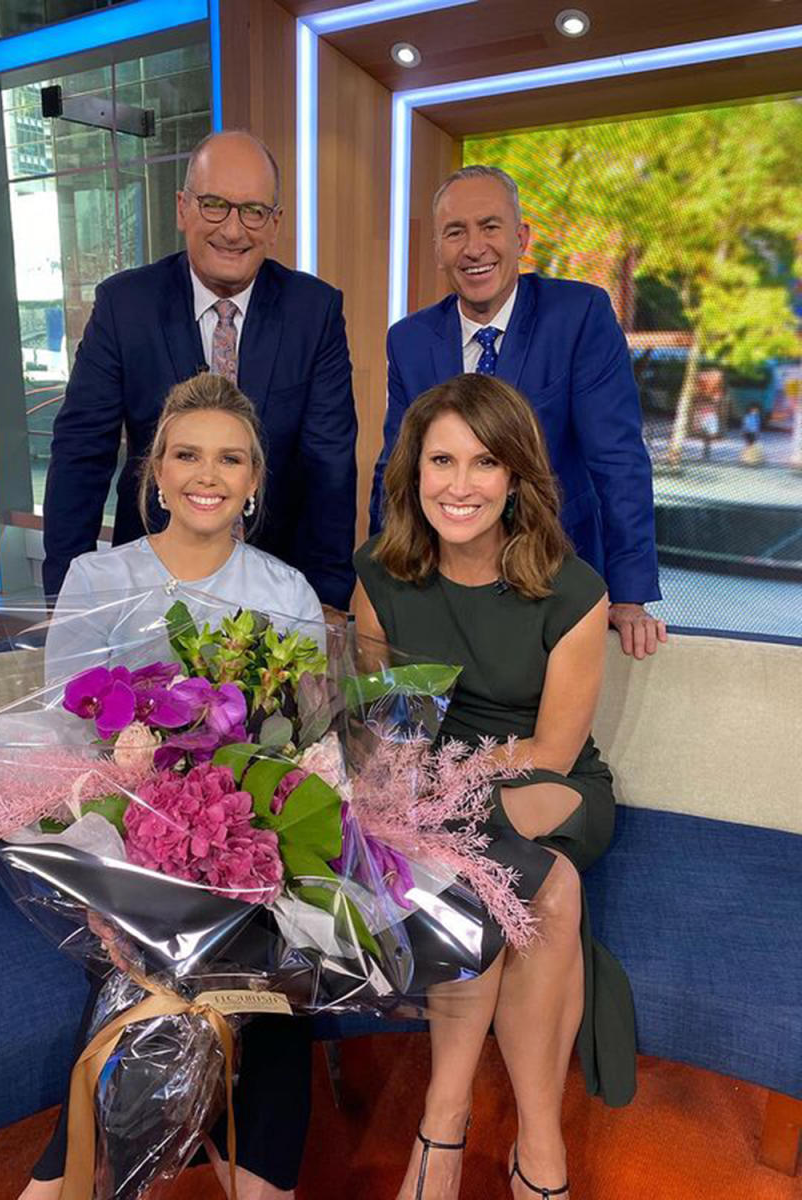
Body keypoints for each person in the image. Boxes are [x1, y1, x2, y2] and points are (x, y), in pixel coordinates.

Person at [20, 373, 324, 1200]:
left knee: (273, 971)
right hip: (124, 857)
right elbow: (60, 743)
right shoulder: (97, 578)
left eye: (230, 459)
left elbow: (300, 753)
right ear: (154, 472)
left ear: (255, 481)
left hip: (247, 861)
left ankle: (106, 1179)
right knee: (167, 976)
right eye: (187, 455)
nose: (207, 475)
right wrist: (103, 873)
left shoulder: (285, 593)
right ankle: (94, 1173)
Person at [355, 373, 635, 1200]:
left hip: (543, 780)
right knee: (547, 886)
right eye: (442, 460)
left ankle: (440, 1134)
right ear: (414, 471)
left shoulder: (573, 588)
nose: (461, 484)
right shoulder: (378, 573)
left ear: (515, 477)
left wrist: (451, 780)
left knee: (488, 860)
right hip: (426, 791)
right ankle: (535, 1147)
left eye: (484, 463)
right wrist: (406, 782)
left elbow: (553, 743)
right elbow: (379, 727)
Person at [42, 129, 357, 611]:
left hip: (275, 587)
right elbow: (82, 453)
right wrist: (67, 599)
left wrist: (328, 598)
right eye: (214, 205)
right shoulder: (125, 305)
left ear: (275, 224)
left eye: (253, 211)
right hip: (149, 585)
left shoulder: (314, 312)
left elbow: (329, 465)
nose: (233, 230)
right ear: (182, 208)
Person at [369, 165, 667, 659]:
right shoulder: (409, 340)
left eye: (490, 227)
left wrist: (629, 593)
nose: (474, 247)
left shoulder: (579, 315)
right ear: (439, 248)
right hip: (445, 584)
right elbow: (395, 469)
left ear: (521, 237)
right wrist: (380, 581)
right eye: (455, 232)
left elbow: (618, 460)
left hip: (556, 575)